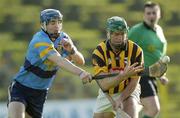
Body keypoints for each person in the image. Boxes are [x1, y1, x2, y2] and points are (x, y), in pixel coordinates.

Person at [8, 9, 91, 118]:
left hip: (40, 93)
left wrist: (71, 49)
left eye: (59, 22)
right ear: (43, 25)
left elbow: (81, 61)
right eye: (52, 23)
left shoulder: (63, 38)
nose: (57, 25)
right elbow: (58, 60)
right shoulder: (40, 40)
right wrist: (81, 73)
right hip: (21, 87)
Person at [92, 16, 144, 118]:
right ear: (108, 33)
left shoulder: (136, 51)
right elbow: (104, 85)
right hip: (108, 92)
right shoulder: (99, 52)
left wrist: (121, 98)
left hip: (128, 89)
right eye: (116, 34)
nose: (119, 37)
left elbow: (134, 82)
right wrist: (122, 76)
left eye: (122, 34)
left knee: (131, 110)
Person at [128, 1, 169, 118]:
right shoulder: (137, 31)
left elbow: (159, 56)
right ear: (144, 15)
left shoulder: (159, 30)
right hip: (141, 75)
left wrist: (162, 76)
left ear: (159, 14)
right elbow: (123, 48)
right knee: (153, 108)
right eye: (148, 13)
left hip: (152, 76)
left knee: (140, 110)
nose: (151, 16)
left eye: (154, 13)